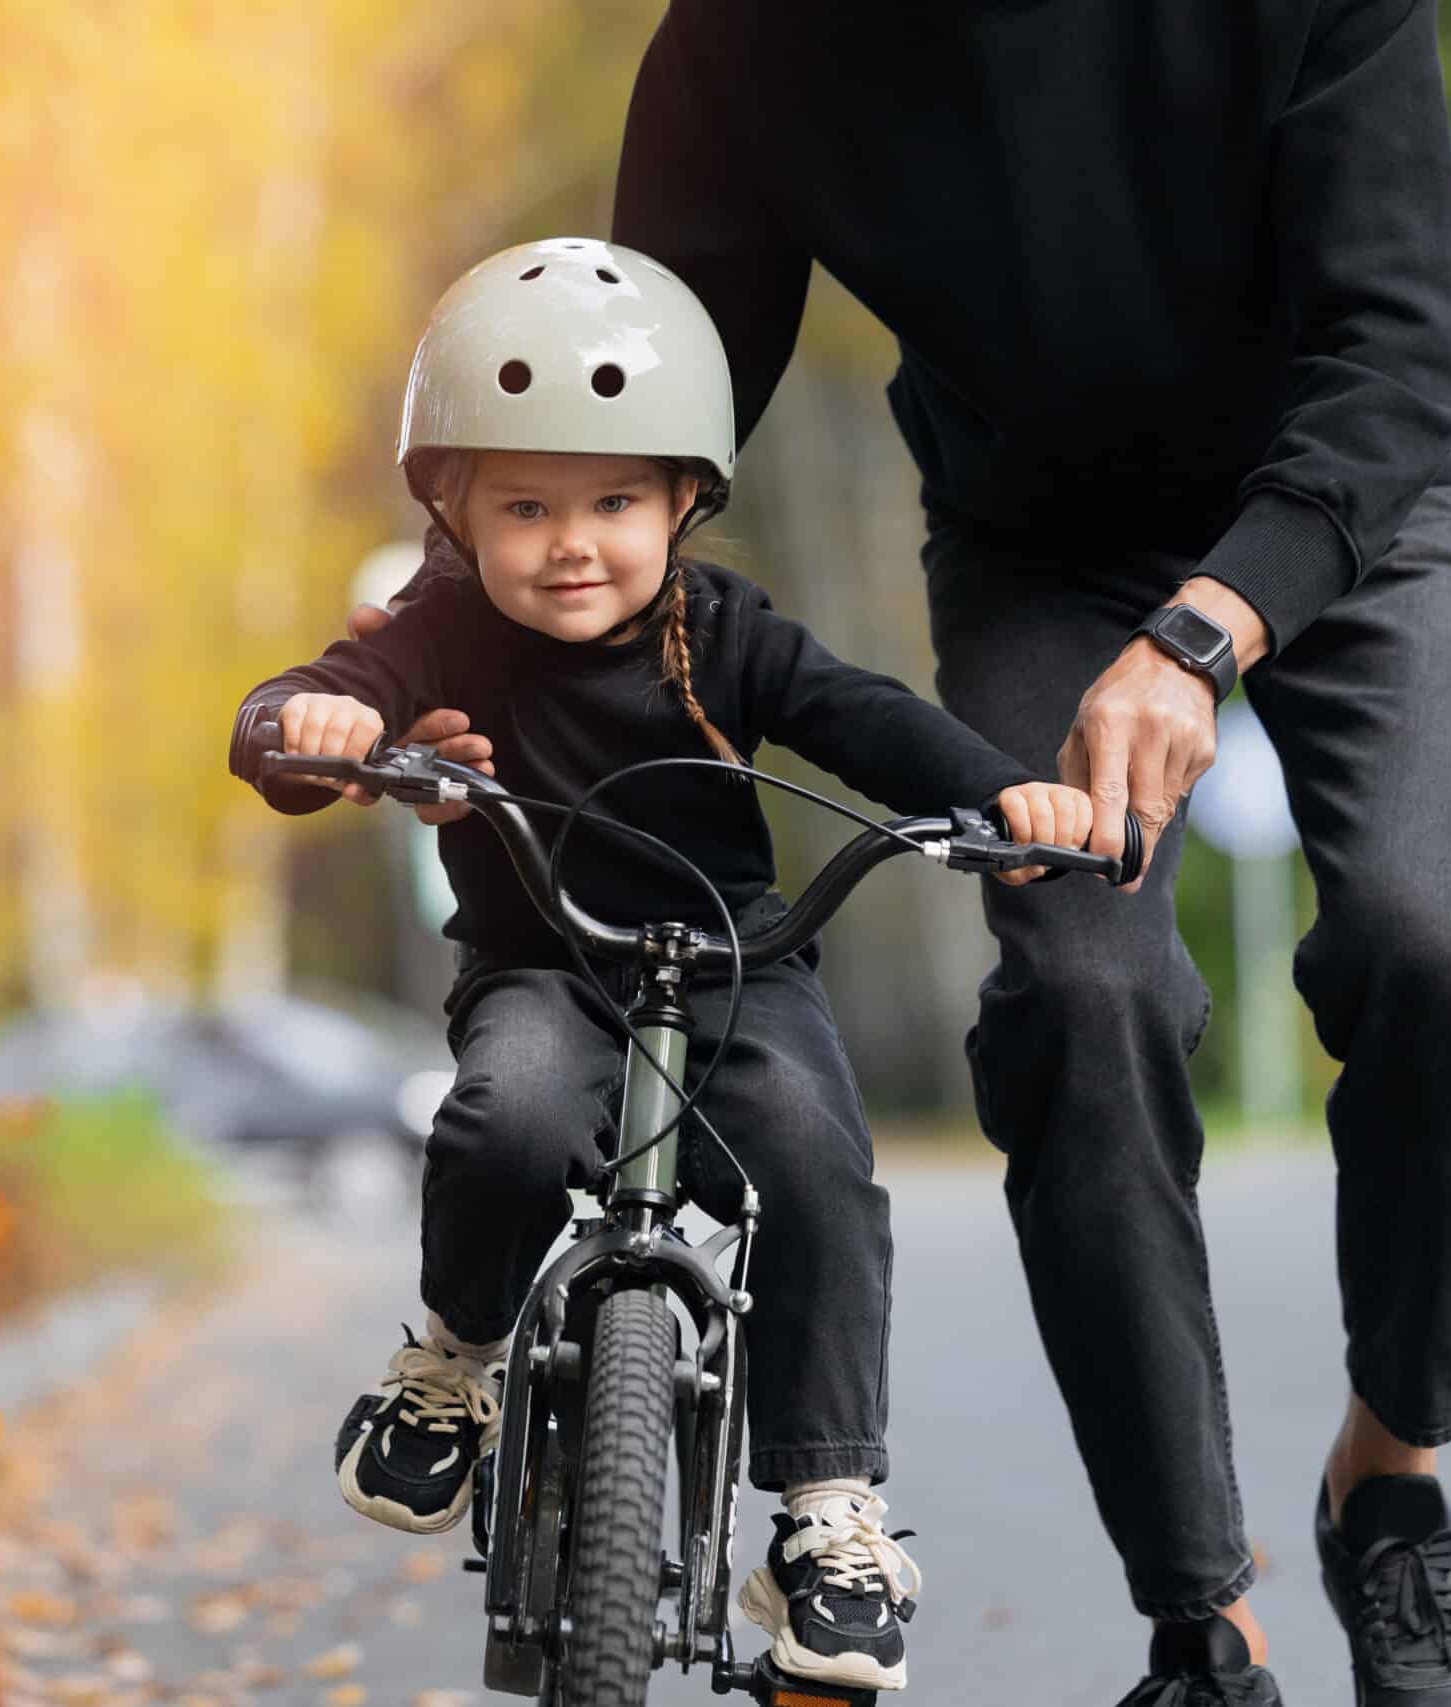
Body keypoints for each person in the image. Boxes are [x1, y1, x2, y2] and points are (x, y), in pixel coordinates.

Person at [357, 8, 1451, 1705]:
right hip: (1048, 549)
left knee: (1433, 952)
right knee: (1083, 993)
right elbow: (613, 389)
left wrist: (1211, 632)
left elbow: (1394, 350)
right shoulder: (749, 43)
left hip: (1363, 498)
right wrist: (431, 668)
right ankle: (1200, 1624)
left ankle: (1394, 1478)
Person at [229, 237, 1109, 1692]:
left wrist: (1011, 793)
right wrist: (302, 728)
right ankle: (454, 1362)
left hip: (740, 970)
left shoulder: (727, 633)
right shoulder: (445, 633)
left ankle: (829, 1515)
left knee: (820, 1162)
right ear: (451, 506)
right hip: (543, 970)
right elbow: (324, 696)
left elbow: (862, 717)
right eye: (526, 505)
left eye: (616, 502)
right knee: (502, 1118)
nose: (574, 542)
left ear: (686, 498)